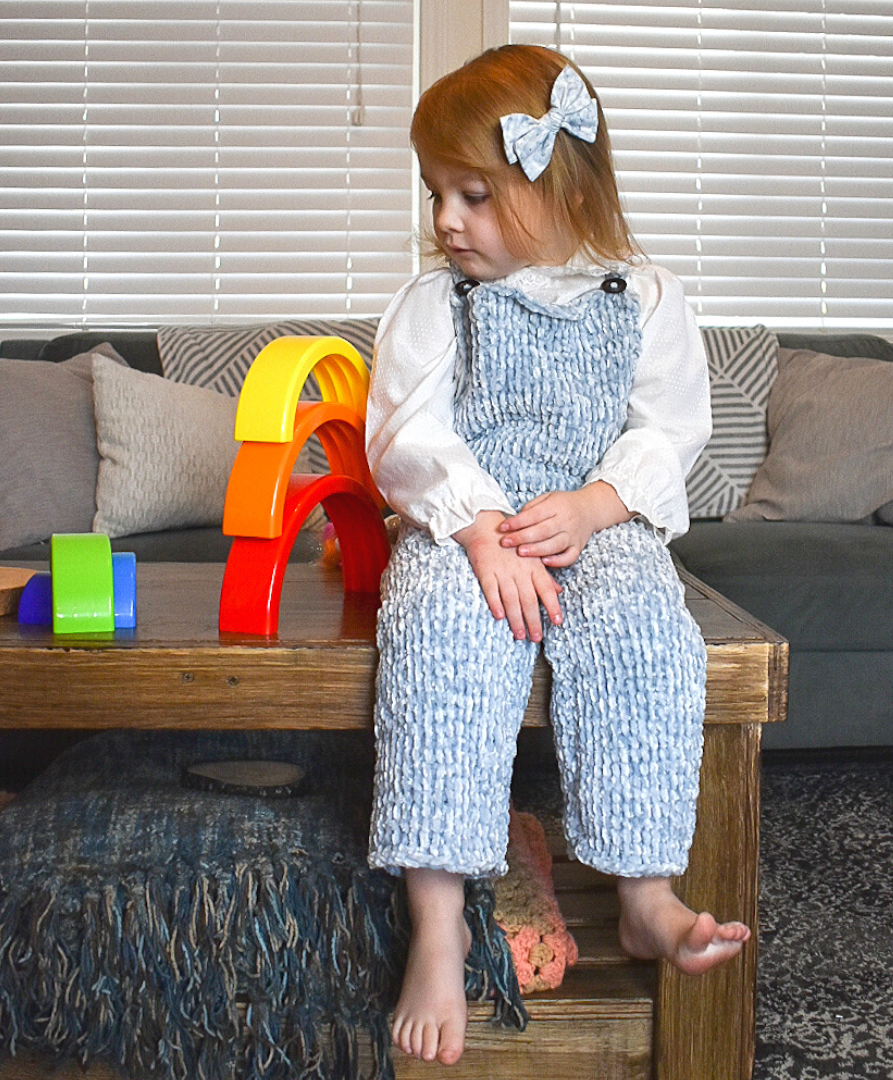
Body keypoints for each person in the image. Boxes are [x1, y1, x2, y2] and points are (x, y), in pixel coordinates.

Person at [365, 44, 750, 1067]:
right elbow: (406, 434)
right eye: (437, 193)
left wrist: (595, 504)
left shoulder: (644, 297)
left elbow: (669, 431)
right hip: (471, 525)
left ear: (562, 186)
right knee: (438, 631)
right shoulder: (436, 305)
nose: (447, 220)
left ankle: (645, 892)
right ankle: (439, 923)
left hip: (595, 521)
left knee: (646, 631)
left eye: (474, 194)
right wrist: (478, 527)